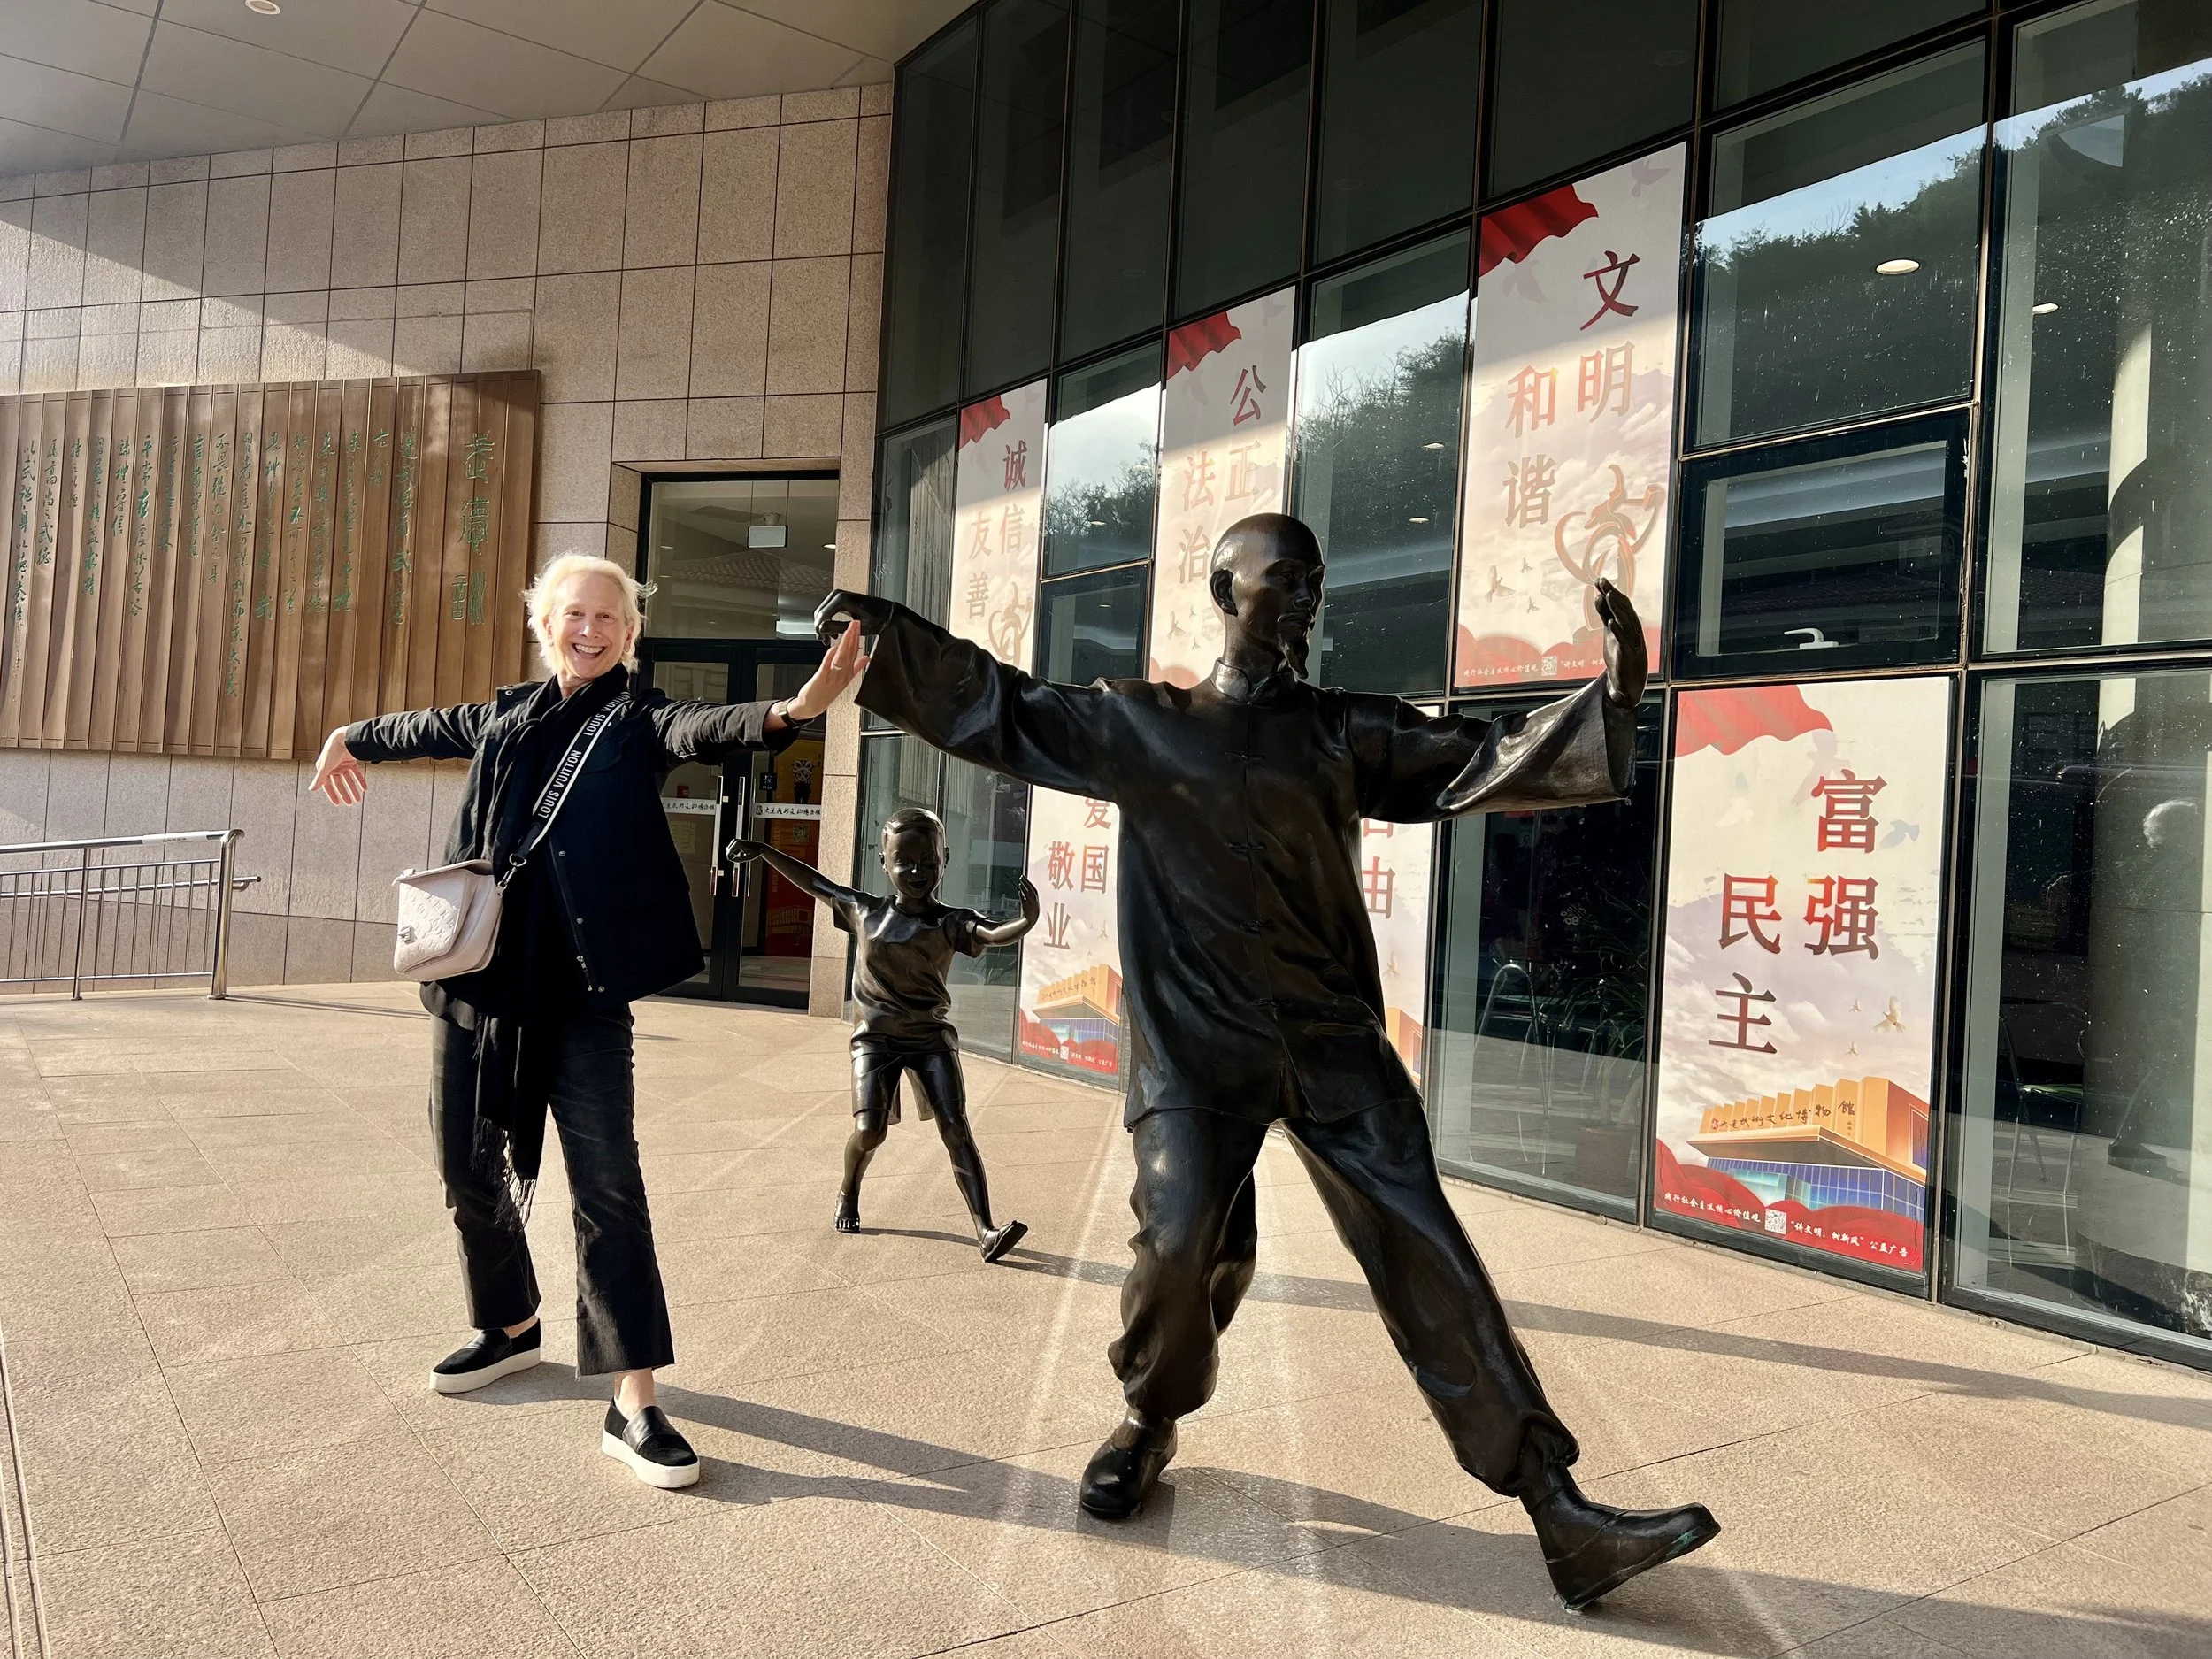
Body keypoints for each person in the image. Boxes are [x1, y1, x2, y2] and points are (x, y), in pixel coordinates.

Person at [815, 513, 1717, 1611]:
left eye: (1314, 583)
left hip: (1331, 1041)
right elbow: (1002, 705)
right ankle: (1148, 1418)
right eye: (1281, 580)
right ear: (1221, 591)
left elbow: (1476, 758)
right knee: (1182, 1241)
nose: (1303, 601)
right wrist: (884, 640)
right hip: (1195, 1050)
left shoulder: (1342, 732)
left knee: (1427, 1249)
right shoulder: (1141, 725)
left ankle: (1556, 1508)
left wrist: (1610, 698)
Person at [310, 553, 868, 1489]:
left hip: (582, 994)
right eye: (576, 614)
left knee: (608, 1188)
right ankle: (510, 1322)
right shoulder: (504, 715)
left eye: (610, 618)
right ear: (546, 624)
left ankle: (633, 1398)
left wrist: (796, 708)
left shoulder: (638, 719)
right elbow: (421, 726)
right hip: (477, 983)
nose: (592, 629)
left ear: (630, 634)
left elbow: (707, 726)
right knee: (464, 1166)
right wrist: (348, 736)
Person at [730, 810, 1039, 1259]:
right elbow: (815, 883)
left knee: (956, 1127)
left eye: (928, 861)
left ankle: (986, 1230)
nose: (916, 872)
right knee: (870, 1131)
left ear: (946, 859)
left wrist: (1025, 922)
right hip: (875, 1040)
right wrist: (763, 851)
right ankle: (848, 1191)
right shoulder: (865, 911)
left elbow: (991, 935)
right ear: (883, 862)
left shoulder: (952, 921)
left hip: (930, 1037)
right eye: (904, 861)